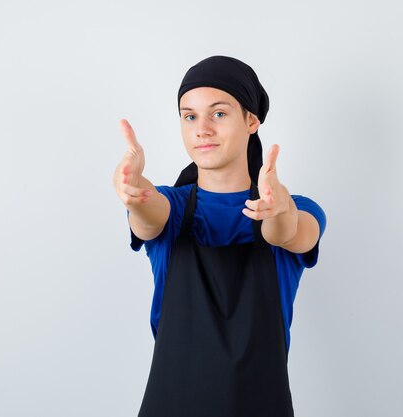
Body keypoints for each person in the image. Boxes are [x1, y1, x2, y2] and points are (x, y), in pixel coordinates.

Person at [113, 55, 327, 417]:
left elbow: (290, 233)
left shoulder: (296, 208)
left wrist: (280, 211)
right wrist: (136, 192)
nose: (202, 129)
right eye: (190, 116)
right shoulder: (173, 206)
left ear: (251, 120)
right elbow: (149, 218)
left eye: (219, 113)